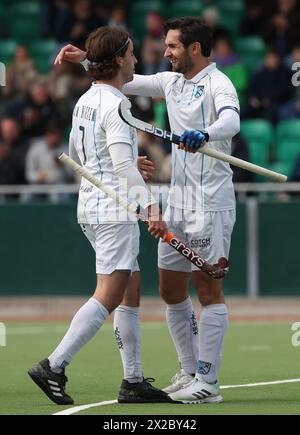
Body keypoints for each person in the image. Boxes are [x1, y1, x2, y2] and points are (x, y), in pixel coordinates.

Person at [54, 16, 240, 404]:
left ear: (194, 48)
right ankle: (189, 372)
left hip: (211, 202)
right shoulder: (171, 82)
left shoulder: (219, 83)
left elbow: (232, 121)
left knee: (209, 289)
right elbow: (120, 78)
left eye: (172, 46)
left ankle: (208, 382)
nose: (164, 52)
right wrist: (87, 59)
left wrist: (206, 133)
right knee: (171, 289)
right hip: (178, 200)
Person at [28, 26, 173, 405]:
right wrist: (152, 209)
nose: (136, 60)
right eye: (132, 54)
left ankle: (133, 381)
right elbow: (124, 171)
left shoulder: (87, 99)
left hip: (91, 204)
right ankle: (54, 366)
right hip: (114, 209)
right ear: (119, 60)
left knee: (130, 288)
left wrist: (121, 166)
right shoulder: (118, 106)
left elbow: (84, 156)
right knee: (108, 294)